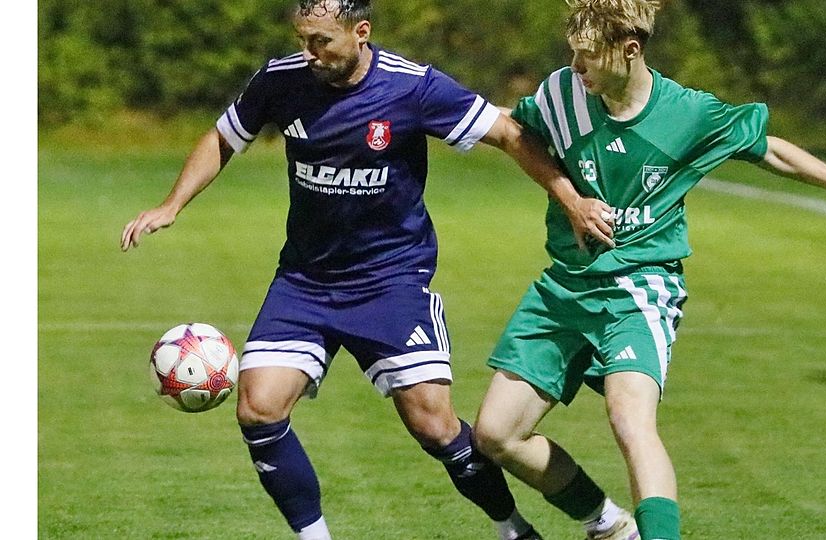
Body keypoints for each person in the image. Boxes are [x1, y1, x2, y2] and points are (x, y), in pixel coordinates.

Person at [119, 1, 618, 538]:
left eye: (322, 41)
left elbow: (507, 133)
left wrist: (570, 199)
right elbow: (223, 136)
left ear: (362, 32)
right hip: (304, 282)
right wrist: (172, 205)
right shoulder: (281, 80)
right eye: (302, 39)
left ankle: (513, 527)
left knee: (434, 424)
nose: (309, 53)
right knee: (258, 409)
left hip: (391, 282)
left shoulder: (412, 87)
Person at [472, 1, 826, 540]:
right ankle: (608, 525)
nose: (575, 67)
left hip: (640, 285)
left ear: (629, 51)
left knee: (630, 418)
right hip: (565, 285)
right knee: (496, 435)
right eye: (572, 54)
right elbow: (516, 132)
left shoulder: (686, 113)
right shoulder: (563, 93)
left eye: (587, 57)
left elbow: (769, 150)